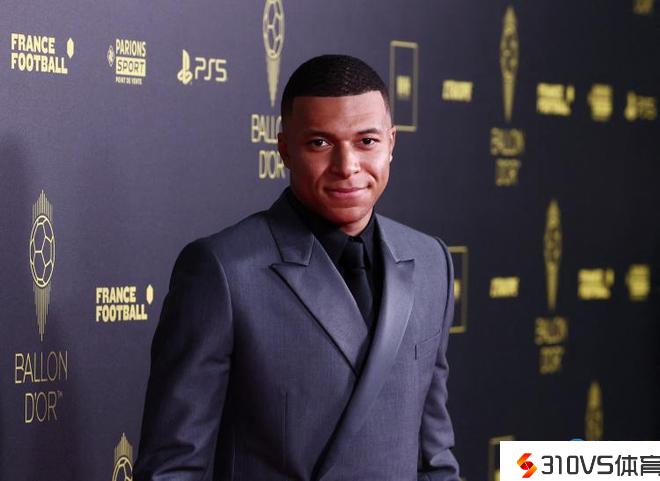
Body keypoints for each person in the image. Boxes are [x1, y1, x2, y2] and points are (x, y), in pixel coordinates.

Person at [134, 54, 460, 481]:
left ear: (391, 143)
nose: (347, 167)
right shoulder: (224, 272)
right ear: (284, 149)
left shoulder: (431, 262)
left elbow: (435, 459)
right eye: (320, 143)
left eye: (366, 141)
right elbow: (172, 468)